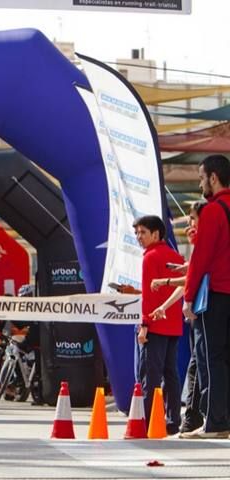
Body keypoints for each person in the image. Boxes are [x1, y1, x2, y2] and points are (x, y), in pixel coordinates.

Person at [181, 154, 230, 439]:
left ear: (213, 177)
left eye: (201, 178)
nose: (201, 184)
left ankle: (215, 422)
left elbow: (202, 258)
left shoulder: (212, 210)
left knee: (210, 358)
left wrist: (188, 297)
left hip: (215, 295)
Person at [150, 201, 206, 434]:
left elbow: (195, 277)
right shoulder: (201, 244)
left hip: (206, 311)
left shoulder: (210, 243)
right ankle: (194, 415)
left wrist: (166, 281)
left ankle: (193, 416)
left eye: (193, 219)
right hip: (199, 312)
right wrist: (165, 304)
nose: (190, 225)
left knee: (198, 364)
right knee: (196, 363)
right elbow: (193, 277)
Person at [129, 215, 185, 434]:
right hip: (172, 326)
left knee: (148, 376)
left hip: (154, 325)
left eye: (143, 232)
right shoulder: (175, 256)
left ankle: (149, 420)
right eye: (136, 233)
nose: (138, 237)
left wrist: (144, 325)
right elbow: (166, 289)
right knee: (171, 374)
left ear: (156, 234)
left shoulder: (149, 257)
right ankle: (172, 421)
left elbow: (150, 299)